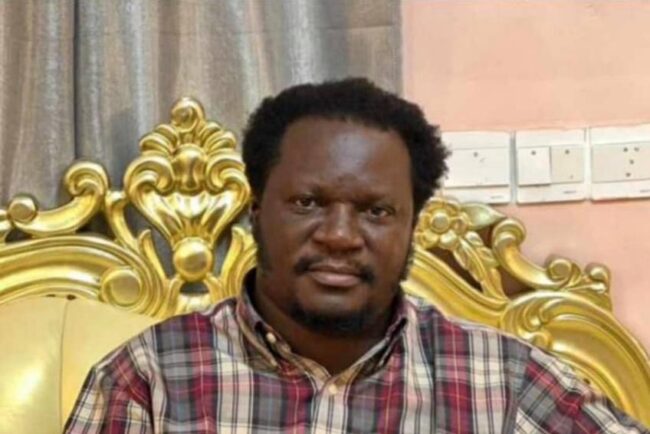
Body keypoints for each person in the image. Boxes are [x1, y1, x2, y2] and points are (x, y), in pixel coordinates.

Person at [65, 78, 649, 433]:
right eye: (308, 202)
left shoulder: (504, 379)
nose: (340, 236)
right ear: (256, 211)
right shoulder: (151, 377)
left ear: (411, 228)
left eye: (375, 211)